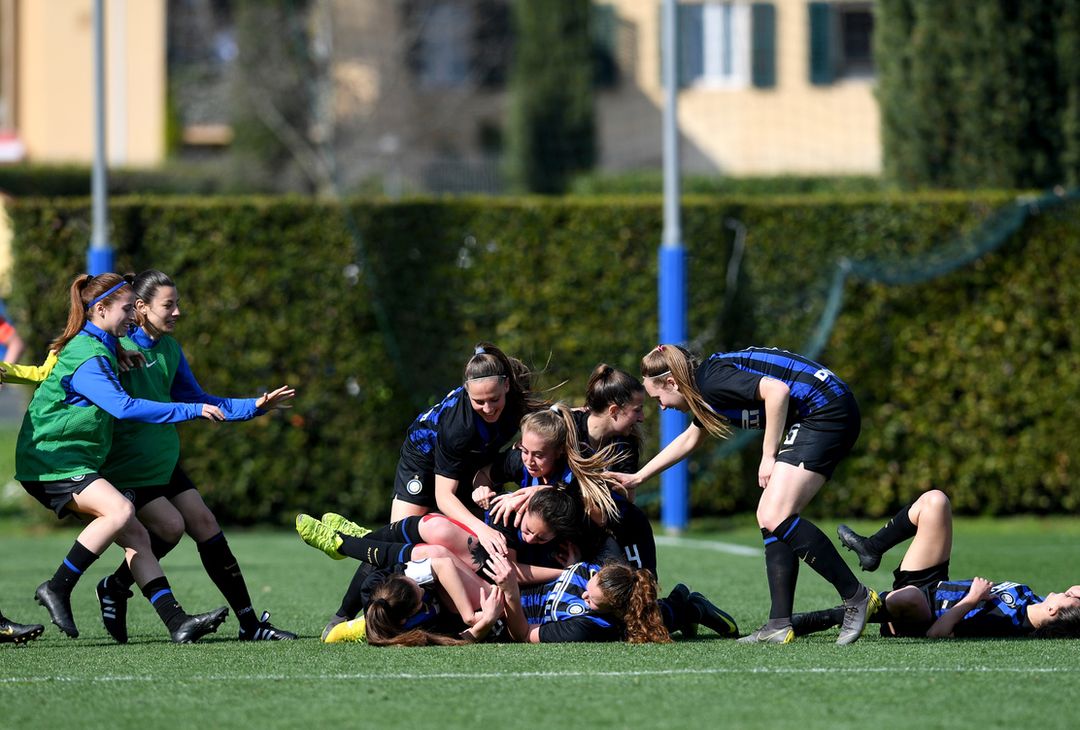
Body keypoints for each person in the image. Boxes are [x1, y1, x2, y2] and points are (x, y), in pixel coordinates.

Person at [614, 345, 877, 645]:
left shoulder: (711, 382)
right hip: (821, 409)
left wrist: (769, 456)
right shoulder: (706, 387)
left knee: (774, 514)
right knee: (770, 516)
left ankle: (856, 596)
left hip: (825, 410)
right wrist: (639, 477)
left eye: (658, 398)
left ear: (672, 383)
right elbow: (690, 439)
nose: (661, 406)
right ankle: (779, 623)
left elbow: (776, 391)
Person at [15, 273, 229, 642]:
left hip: (74, 460)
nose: (134, 316)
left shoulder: (103, 344)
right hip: (52, 461)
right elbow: (123, 407)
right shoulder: (86, 354)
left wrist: (119, 350)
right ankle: (58, 586)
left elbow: (103, 351)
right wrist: (188, 410)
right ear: (100, 309)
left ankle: (177, 622)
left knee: (145, 535)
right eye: (128, 308)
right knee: (120, 512)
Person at [92, 270, 297, 643]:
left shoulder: (170, 349)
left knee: (203, 522)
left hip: (163, 460)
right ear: (140, 307)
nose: (177, 312)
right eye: (168, 305)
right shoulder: (116, 343)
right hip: (128, 466)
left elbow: (200, 400)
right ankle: (114, 586)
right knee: (170, 528)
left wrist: (256, 405)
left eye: (177, 304)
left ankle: (250, 624)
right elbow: (84, 362)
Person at [323, 342, 543, 639]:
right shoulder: (457, 427)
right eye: (479, 402)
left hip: (468, 463)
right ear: (466, 391)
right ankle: (344, 616)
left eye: (494, 399)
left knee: (473, 553)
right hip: (422, 462)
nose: (488, 408)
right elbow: (444, 496)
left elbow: (544, 423)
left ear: (506, 386)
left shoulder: (516, 400)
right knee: (398, 542)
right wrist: (483, 531)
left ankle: (430, 614)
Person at [790, 489, 1080, 639]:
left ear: (1054, 610)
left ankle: (819, 618)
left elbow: (937, 634)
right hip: (933, 583)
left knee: (912, 597)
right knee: (935, 502)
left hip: (924, 614)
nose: (1071, 590)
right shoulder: (1033, 599)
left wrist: (971, 600)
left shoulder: (1010, 624)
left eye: (1071, 596)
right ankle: (871, 548)